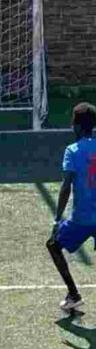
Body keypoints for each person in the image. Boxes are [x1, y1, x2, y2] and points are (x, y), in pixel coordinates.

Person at [47, 102, 96, 311]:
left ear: (76, 126)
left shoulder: (72, 151)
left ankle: (73, 294)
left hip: (81, 219)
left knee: (53, 245)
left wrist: (57, 219)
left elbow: (66, 187)